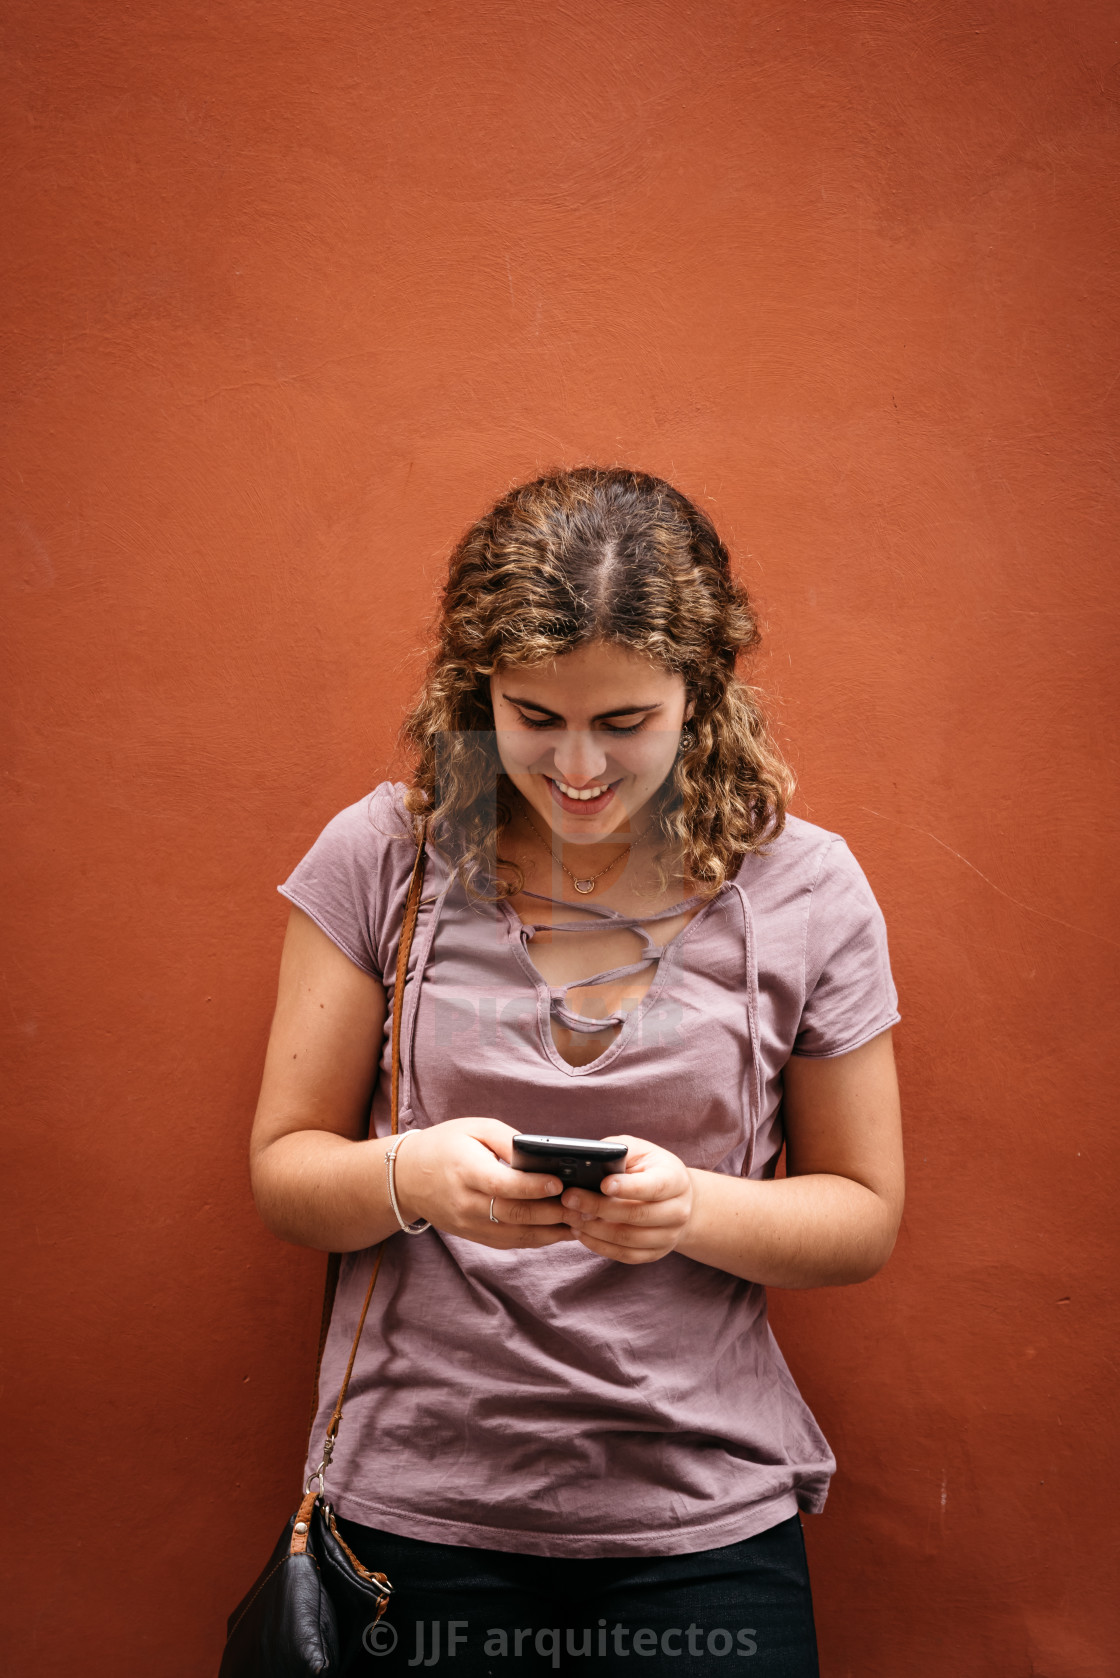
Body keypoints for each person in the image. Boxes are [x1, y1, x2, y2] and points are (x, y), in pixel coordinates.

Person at [249, 466, 904, 1675]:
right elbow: (285, 1171)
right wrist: (413, 1175)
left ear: (698, 698)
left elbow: (863, 1215)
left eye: (624, 723)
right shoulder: (384, 854)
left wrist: (692, 1208)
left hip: (702, 1521)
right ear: (475, 691)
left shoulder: (807, 888)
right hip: (418, 1513)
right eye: (534, 717)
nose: (580, 769)